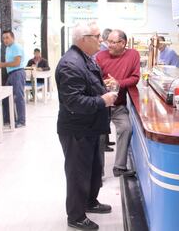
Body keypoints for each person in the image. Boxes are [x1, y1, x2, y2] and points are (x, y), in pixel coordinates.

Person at [55, 22, 118, 230]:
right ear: (84, 39)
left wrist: (102, 87)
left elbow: (87, 86)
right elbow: (73, 102)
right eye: (98, 36)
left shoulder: (85, 59)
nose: (101, 40)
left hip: (91, 126)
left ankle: (90, 201)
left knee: (93, 169)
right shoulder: (70, 64)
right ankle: (75, 215)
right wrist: (104, 100)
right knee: (78, 173)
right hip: (77, 130)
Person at [96, 29, 140, 177]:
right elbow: (93, 79)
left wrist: (118, 83)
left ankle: (119, 167)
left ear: (123, 43)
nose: (109, 45)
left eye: (113, 42)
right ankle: (98, 172)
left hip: (119, 104)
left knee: (126, 128)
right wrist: (104, 83)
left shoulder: (133, 55)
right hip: (102, 104)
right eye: (108, 42)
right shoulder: (100, 57)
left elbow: (135, 78)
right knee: (99, 136)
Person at [0, 30, 26, 128]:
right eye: (3, 38)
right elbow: (10, 62)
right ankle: (8, 119)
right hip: (11, 74)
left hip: (18, 73)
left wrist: (3, 64)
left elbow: (16, 63)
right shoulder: (8, 48)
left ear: (13, 37)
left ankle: (21, 121)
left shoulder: (16, 47)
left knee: (18, 97)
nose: (5, 40)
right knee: (5, 97)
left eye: (7, 37)